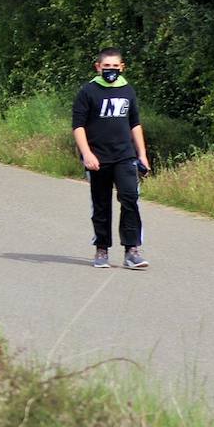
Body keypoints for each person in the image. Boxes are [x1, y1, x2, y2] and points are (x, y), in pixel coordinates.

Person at [72, 48, 151, 270]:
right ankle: (102, 248)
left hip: (125, 156)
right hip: (98, 158)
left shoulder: (127, 90)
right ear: (98, 67)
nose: (111, 70)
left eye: (115, 67)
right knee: (101, 204)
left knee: (130, 199)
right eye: (107, 67)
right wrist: (87, 154)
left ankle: (132, 250)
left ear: (122, 67)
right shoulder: (88, 91)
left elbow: (135, 124)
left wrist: (142, 154)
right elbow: (78, 126)